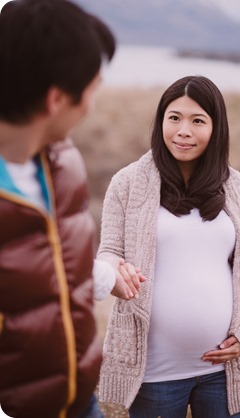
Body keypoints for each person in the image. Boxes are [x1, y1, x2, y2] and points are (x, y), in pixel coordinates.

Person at [96, 75, 240, 418]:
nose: (183, 130)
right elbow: (109, 252)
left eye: (197, 120)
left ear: (217, 128)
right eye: (174, 118)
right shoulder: (127, 184)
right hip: (156, 374)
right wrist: (115, 271)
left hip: (222, 372)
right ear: (160, 122)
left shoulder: (235, 186)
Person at [0, 1, 121, 417]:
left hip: (78, 396)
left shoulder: (62, 162)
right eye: (91, 88)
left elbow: (50, 251)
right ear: (56, 99)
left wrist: (107, 277)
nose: (91, 103)